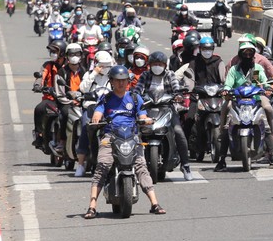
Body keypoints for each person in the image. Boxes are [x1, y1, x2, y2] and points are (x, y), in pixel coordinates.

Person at [83, 65, 166, 219]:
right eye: (117, 80)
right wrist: (96, 118)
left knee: (141, 166)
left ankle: (155, 204)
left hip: (131, 137)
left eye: (124, 81)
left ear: (128, 81)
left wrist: (145, 120)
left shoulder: (135, 98)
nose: (121, 83)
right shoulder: (106, 98)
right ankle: (92, 207)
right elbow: (98, 112)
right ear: (112, 81)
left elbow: (142, 115)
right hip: (110, 137)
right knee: (103, 166)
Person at [215, 42, 273, 171]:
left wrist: (268, 88)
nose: (247, 55)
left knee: (267, 114)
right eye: (244, 53)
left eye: (250, 53)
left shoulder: (257, 68)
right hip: (236, 100)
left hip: (255, 99)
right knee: (227, 115)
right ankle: (222, 157)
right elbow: (228, 84)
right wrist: (226, 90)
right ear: (240, 55)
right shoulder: (234, 70)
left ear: (253, 55)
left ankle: (272, 154)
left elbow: (262, 81)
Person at [134, 51, 193, 181]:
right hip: (147, 109)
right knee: (135, 131)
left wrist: (178, 95)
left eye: (160, 64)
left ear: (164, 65)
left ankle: (186, 165)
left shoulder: (170, 75)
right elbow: (138, 89)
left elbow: (176, 88)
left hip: (167, 109)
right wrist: (135, 96)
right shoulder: (145, 75)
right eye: (154, 64)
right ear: (150, 65)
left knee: (179, 132)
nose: (157, 66)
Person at [75, 51, 115, 176]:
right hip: (91, 107)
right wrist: (94, 73)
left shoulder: (112, 76)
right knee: (85, 127)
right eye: (102, 65)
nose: (105, 68)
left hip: (108, 108)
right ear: (96, 64)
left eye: (107, 65)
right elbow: (83, 88)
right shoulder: (89, 75)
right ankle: (80, 164)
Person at [32, 40, 67, 149]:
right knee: (39, 109)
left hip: (65, 99)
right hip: (50, 99)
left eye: (55, 51)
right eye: (51, 51)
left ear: (62, 53)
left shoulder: (68, 67)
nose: (52, 53)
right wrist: (38, 85)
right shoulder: (47, 65)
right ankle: (39, 134)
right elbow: (40, 76)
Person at [54, 43, 87, 154]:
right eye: (72, 54)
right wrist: (70, 101)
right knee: (65, 114)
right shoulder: (61, 72)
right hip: (66, 102)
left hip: (82, 101)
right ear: (67, 56)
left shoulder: (85, 72)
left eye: (77, 54)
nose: (74, 56)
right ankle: (62, 141)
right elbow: (60, 94)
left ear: (81, 55)